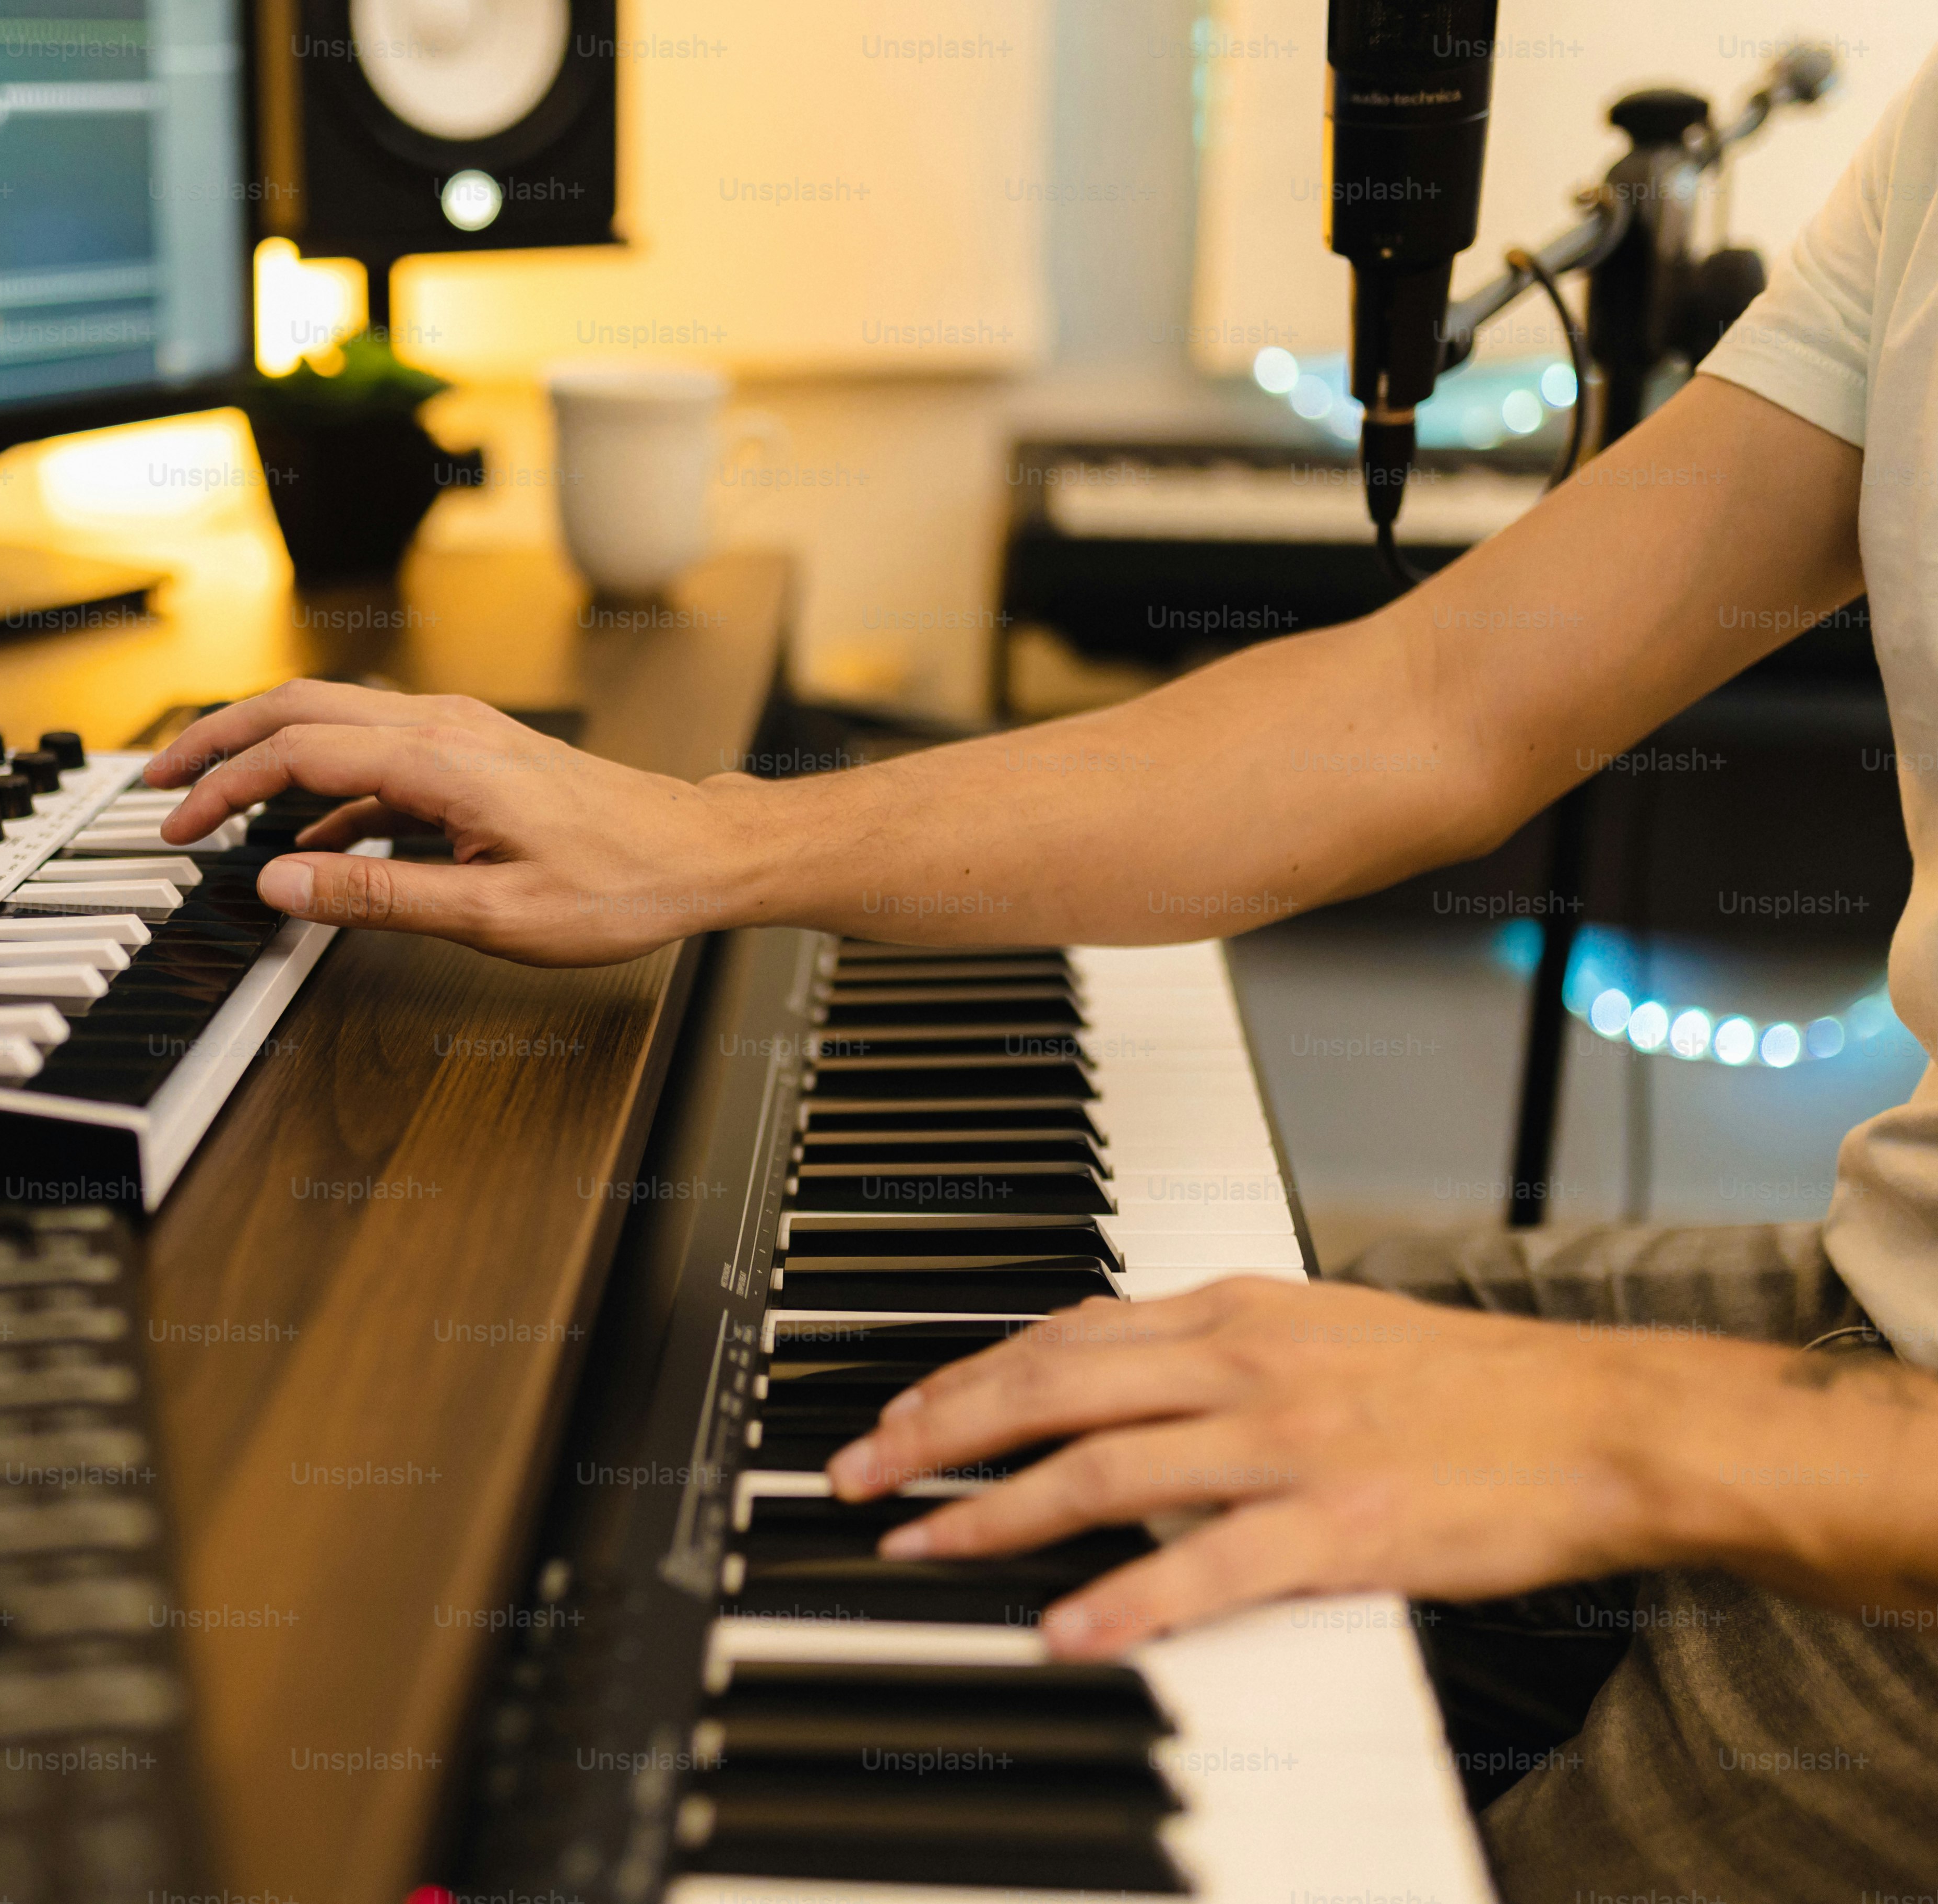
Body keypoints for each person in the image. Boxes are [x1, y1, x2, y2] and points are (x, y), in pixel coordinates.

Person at [146, 48, 1938, 1904]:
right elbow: (1435, 707)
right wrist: (708, 840)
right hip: (1866, 1302)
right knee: (1021, 1397)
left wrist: (1644, 1435)